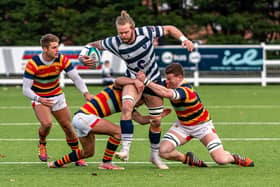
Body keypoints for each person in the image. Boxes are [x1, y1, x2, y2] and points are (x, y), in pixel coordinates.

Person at [79, 10, 194, 168]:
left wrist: (184, 39)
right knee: (127, 106)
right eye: (120, 33)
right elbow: (92, 45)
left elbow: (169, 28)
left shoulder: (145, 32)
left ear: (133, 28)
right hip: (133, 81)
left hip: (153, 81)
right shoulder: (114, 42)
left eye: (126, 32)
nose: (123, 36)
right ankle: (125, 150)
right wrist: (83, 56)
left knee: (156, 121)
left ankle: (154, 156)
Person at [136, 63, 254, 168]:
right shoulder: (170, 84)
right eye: (166, 78)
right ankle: (188, 159)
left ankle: (235, 158)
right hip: (183, 126)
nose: (166, 82)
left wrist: (146, 81)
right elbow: (154, 89)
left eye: (169, 79)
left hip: (202, 127)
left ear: (180, 78)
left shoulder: (186, 91)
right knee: (163, 151)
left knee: (221, 160)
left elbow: (166, 93)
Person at [48, 78, 172, 169]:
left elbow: (140, 120)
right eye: (141, 101)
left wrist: (157, 116)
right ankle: (106, 163)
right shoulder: (119, 90)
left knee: (88, 153)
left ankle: (56, 163)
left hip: (83, 119)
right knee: (119, 131)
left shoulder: (127, 106)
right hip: (84, 117)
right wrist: (135, 81)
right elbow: (118, 80)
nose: (140, 104)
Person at [22, 33, 93, 166]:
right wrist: (39, 99)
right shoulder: (33, 64)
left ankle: (76, 155)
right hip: (40, 97)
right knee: (47, 124)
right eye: (54, 47)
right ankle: (42, 143)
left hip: (57, 96)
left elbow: (76, 78)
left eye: (57, 47)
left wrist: (86, 93)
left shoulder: (62, 59)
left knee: (68, 127)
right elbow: (25, 89)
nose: (57, 50)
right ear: (45, 49)